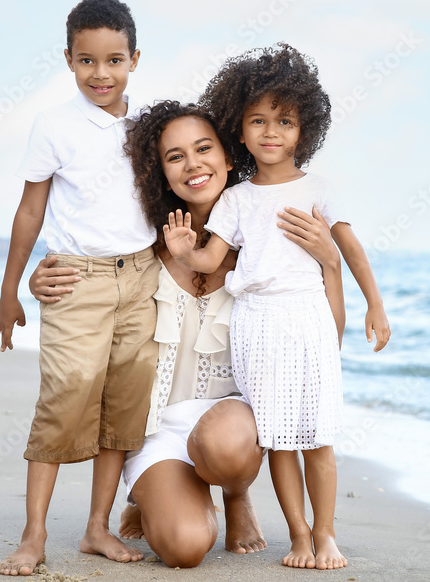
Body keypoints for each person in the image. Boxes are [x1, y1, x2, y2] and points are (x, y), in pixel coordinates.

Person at [27, 100, 345, 568]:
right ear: (162, 171)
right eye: (176, 156)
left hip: (234, 420)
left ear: (228, 155)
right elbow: (91, 283)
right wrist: (39, 282)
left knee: (226, 446)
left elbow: (324, 336)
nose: (193, 164)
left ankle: (236, 495)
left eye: (204, 148)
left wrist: (332, 263)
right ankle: (152, 498)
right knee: (183, 548)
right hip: (155, 428)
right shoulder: (141, 244)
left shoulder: (266, 245)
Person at [165, 43, 391, 570]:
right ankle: (299, 536)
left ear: (303, 129)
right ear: (238, 132)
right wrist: (185, 250)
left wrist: (374, 306)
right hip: (258, 324)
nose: (271, 131)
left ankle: (327, 534)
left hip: (309, 318)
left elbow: (349, 252)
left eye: (285, 121)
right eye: (258, 120)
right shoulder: (236, 198)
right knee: (280, 438)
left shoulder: (320, 189)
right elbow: (211, 256)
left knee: (318, 436)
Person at [0, 0, 156, 576]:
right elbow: (29, 212)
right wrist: (11, 289)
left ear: (135, 58)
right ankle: (33, 534)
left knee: (123, 406)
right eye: (87, 61)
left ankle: (96, 528)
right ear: (69, 60)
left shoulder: (149, 125)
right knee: (64, 399)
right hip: (73, 280)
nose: (101, 74)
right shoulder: (55, 125)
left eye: (114, 60)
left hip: (142, 277)